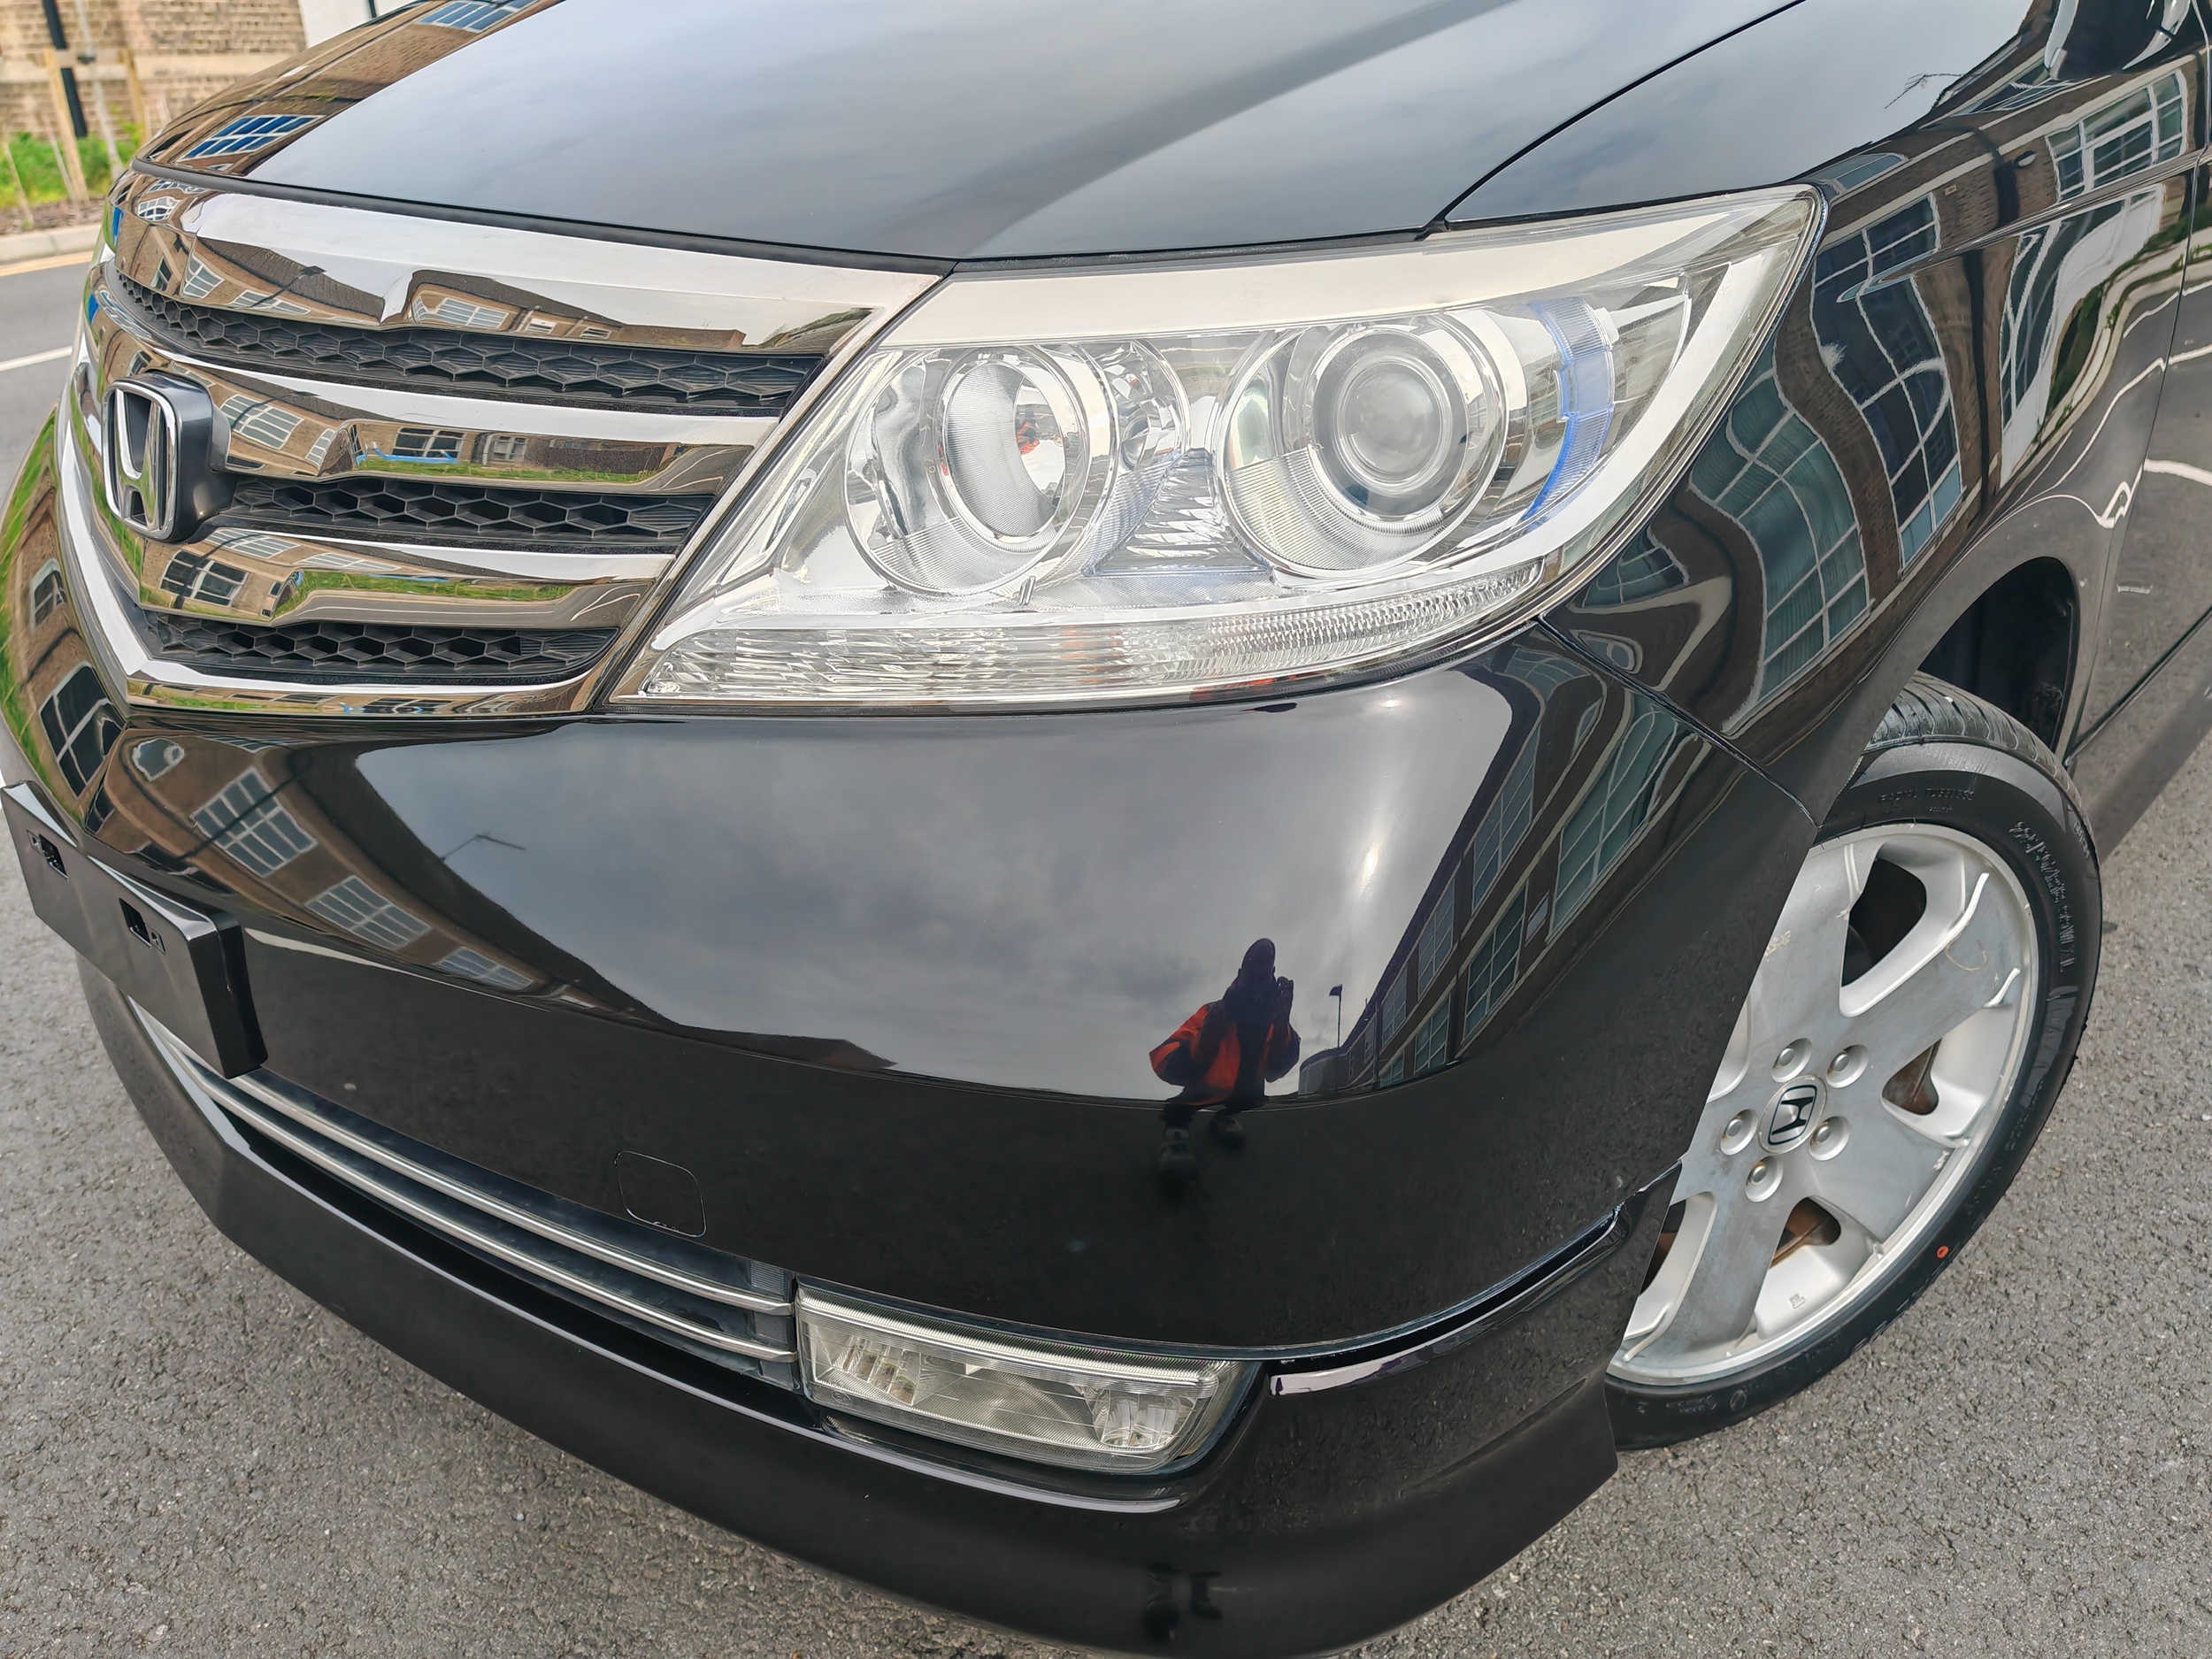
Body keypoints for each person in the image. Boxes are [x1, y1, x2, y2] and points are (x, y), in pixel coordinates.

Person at [1148, 939, 1300, 1180]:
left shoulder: (1273, 1018)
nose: (1257, 984)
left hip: (1245, 1099)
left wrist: (1282, 1027)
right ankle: (1176, 1132)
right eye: (1252, 973)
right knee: (1180, 1109)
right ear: (1240, 974)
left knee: (1247, 1101)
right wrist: (1207, 1039)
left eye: (1264, 976)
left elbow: (1276, 1070)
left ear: (1273, 975)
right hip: (1202, 1094)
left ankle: (1225, 1116)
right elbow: (1164, 1057)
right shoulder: (1213, 1011)